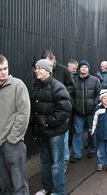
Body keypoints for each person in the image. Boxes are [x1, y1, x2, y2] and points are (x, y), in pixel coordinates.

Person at [32, 59, 72, 195]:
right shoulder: (37, 86)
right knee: (44, 162)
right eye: (35, 68)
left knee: (56, 163)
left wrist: (49, 122)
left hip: (54, 132)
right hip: (42, 132)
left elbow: (65, 109)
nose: (36, 70)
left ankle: (58, 191)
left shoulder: (58, 87)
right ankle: (47, 188)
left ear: (48, 71)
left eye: (39, 68)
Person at [0, 54, 30, 194]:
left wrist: (12, 139)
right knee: (4, 184)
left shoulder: (17, 85)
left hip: (12, 144)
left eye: (5, 68)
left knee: (19, 184)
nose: (3, 72)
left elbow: (23, 113)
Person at [71, 60, 102, 162]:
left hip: (91, 111)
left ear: (88, 69)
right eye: (82, 67)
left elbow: (99, 94)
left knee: (91, 132)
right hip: (78, 112)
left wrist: (94, 103)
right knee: (77, 133)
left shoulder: (94, 80)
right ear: (79, 69)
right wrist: (74, 105)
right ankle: (76, 154)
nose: (84, 69)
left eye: (86, 67)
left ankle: (92, 150)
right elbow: (70, 94)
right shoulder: (74, 80)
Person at [64, 59, 78, 174]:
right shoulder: (66, 76)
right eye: (74, 68)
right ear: (68, 66)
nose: (75, 71)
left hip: (73, 107)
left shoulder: (74, 77)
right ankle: (65, 157)